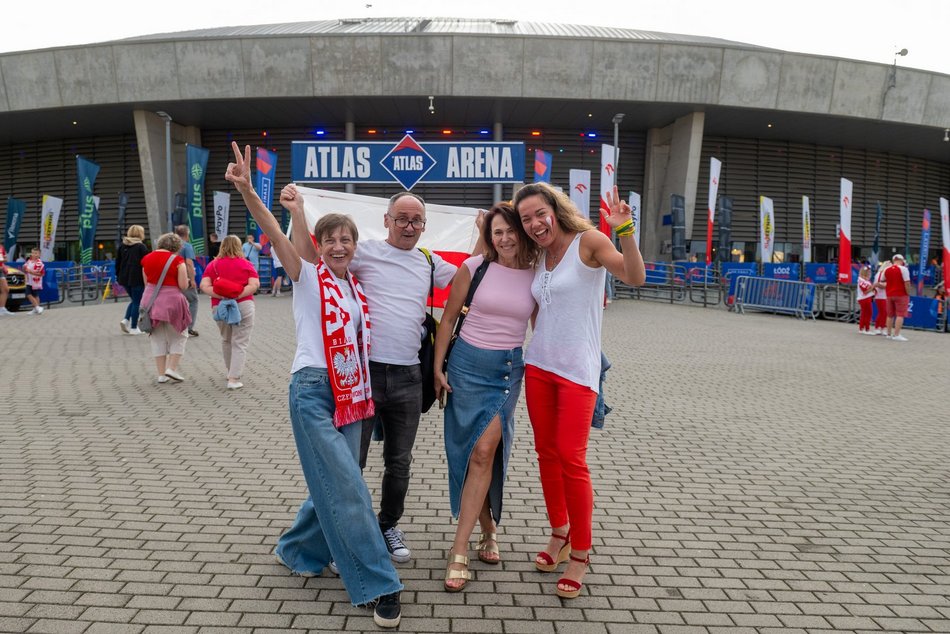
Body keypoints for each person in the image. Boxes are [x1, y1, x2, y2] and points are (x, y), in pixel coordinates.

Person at [225, 142, 403, 627]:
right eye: (330, 240)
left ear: (355, 245)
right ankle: (378, 582)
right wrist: (249, 192)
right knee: (347, 486)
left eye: (346, 239)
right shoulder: (307, 276)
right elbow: (273, 231)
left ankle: (297, 549)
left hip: (354, 394)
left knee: (335, 479)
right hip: (312, 390)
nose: (339, 246)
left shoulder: (355, 288)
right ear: (318, 246)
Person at [288, 190, 458, 564]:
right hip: (363, 377)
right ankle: (347, 534)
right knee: (350, 464)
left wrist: (484, 233)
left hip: (409, 377)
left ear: (424, 225)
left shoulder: (429, 261)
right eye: (401, 219)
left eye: (416, 220)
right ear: (386, 220)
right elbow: (310, 260)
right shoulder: (363, 253)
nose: (409, 226)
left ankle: (387, 526)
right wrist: (298, 213)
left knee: (400, 461)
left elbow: (468, 278)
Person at [512, 181, 645, 599]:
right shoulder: (537, 255)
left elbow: (635, 276)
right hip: (539, 366)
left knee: (572, 459)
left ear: (556, 209)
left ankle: (581, 553)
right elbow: (538, 310)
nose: (534, 224)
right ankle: (560, 533)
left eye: (540, 213)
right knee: (546, 454)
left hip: (577, 372)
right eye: (525, 219)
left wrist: (625, 231)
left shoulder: (589, 242)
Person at [433, 202, 537, 592]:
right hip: (465, 367)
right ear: (489, 237)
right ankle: (488, 528)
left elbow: (543, 326)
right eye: (497, 233)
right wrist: (437, 369)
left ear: (521, 233)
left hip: (506, 371)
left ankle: (458, 549)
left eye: (511, 231)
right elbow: (448, 318)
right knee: (472, 451)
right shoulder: (474, 267)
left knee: (485, 450)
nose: (505, 238)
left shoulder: (536, 274)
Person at [199, 235, 260, 390]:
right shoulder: (246, 264)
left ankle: (230, 372)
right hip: (243, 305)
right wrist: (237, 295)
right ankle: (234, 378)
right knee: (240, 342)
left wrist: (222, 296)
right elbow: (254, 284)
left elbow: (204, 286)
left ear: (222, 246)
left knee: (226, 340)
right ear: (239, 246)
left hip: (220, 306)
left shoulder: (213, 265)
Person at [141, 232, 191, 383]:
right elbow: (183, 285)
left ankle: (161, 375)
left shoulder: (146, 259)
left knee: (157, 338)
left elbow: (147, 283)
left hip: (150, 300)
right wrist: (188, 280)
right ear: (176, 246)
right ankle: (172, 368)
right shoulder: (178, 260)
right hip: (172, 301)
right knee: (180, 335)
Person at [117, 225, 150, 335]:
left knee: (134, 300)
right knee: (137, 302)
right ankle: (134, 327)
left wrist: (118, 276)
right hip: (137, 278)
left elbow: (117, 263)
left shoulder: (122, 246)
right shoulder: (141, 247)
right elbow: (146, 264)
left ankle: (126, 319)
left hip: (124, 278)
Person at [174, 225, 200, 337]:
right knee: (193, 300)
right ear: (187, 234)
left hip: (171, 278)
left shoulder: (170, 245)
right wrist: (192, 280)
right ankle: (189, 327)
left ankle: (174, 326)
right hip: (183, 277)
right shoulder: (186, 246)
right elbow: (189, 263)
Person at [880, 253, 912, 341]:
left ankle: (888, 334)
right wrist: (908, 292)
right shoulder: (904, 269)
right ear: (901, 261)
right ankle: (896, 334)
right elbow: (907, 282)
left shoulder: (886, 269)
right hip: (901, 294)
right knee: (900, 314)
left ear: (893, 260)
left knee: (889, 315)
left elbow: (882, 280)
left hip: (889, 294)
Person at [22, 247, 46, 315]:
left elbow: (42, 274)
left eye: (36, 253)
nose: (34, 254)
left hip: (35, 282)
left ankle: (37, 308)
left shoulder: (40, 263)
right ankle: (37, 308)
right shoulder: (29, 261)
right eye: (32, 253)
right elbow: (25, 268)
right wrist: (24, 268)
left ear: (39, 254)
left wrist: (31, 272)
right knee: (30, 294)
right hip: (29, 281)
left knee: (33, 295)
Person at [872, 260, 890, 335]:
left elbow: (877, 284)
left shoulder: (879, 274)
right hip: (881, 296)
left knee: (883, 312)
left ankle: (881, 327)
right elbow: (879, 284)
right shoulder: (882, 274)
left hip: (881, 295)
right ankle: (879, 327)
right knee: (883, 312)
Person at [856, 265, 875, 335]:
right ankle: (865, 329)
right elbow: (865, 291)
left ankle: (863, 328)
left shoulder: (865, 281)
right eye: (868, 272)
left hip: (866, 298)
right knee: (867, 313)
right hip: (864, 298)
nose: (870, 274)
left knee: (865, 313)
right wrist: (873, 287)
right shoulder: (861, 281)